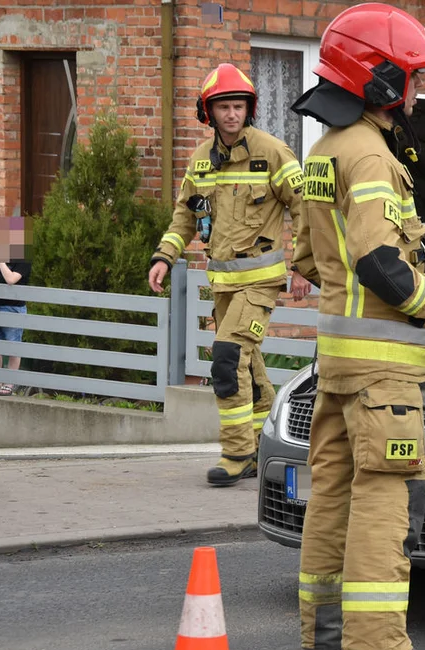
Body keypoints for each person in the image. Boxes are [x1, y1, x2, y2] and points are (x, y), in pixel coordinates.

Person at [288, 2, 425, 650]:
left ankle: (323, 640)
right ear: (378, 80)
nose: (416, 92)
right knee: (383, 502)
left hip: (338, 364)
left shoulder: (325, 151)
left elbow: (309, 259)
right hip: (382, 374)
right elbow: (380, 261)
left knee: (333, 497)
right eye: (410, 78)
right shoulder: (371, 153)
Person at [147, 62, 311, 486]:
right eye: (223, 107)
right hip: (223, 283)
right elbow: (185, 214)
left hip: (261, 282)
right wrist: (164, 256)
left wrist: (302, 266)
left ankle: (237, 455)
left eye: (238, 106)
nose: (232, 114)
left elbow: (305, 208)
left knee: (227, 359)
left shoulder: (274, 152)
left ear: (248, 109)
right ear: (209, 112)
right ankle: (269, 445)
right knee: (249, 367)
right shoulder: (201, 161)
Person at [0, 216, 33, 396]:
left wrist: (1, 260)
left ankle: (9, 384)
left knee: (13, 347)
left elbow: (11, 279)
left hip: (14, 308)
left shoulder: (24, 259)